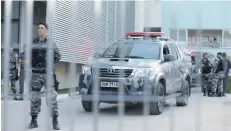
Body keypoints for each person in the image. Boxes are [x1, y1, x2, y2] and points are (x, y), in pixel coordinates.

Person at [29, 22, 61, 130]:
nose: (39, 29)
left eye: (42, 28)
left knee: (51, 97)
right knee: (34, 98)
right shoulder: (33, 42)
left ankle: (55, 121)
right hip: (36, 74)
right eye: (38, 28)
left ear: (46, 30)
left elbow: (58, 56)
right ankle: (34, 121)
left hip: (48, 74)